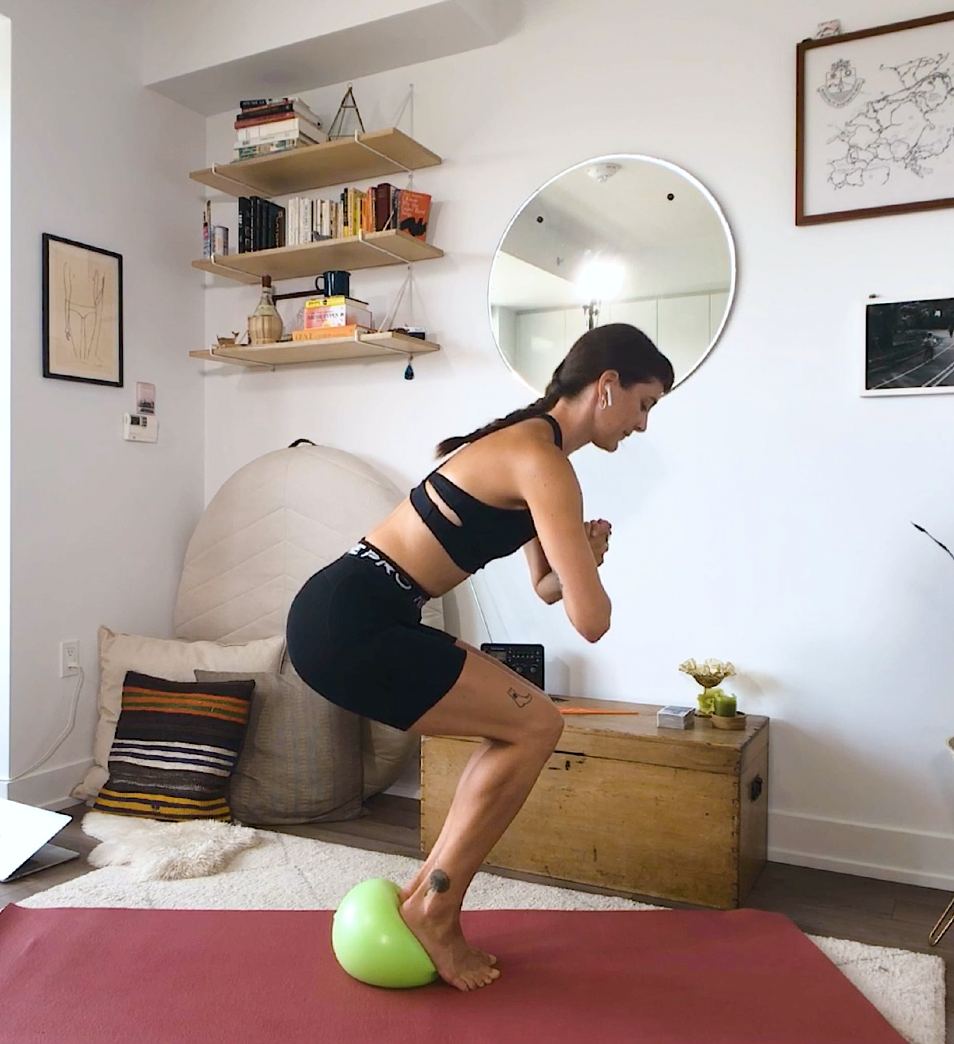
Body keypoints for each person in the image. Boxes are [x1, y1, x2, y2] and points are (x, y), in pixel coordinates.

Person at [286, 323, 674, 991]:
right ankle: (438, 909)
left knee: (522, 722)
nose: (642, 424)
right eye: (645, 404)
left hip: (347, 609)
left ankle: (426, 895)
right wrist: (588, 570)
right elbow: (592, 621)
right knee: (537, 723)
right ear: (606, 387)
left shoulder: (532, 448)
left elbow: (548, 589)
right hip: (355, 620)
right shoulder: (543, 462)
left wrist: (583, 558)